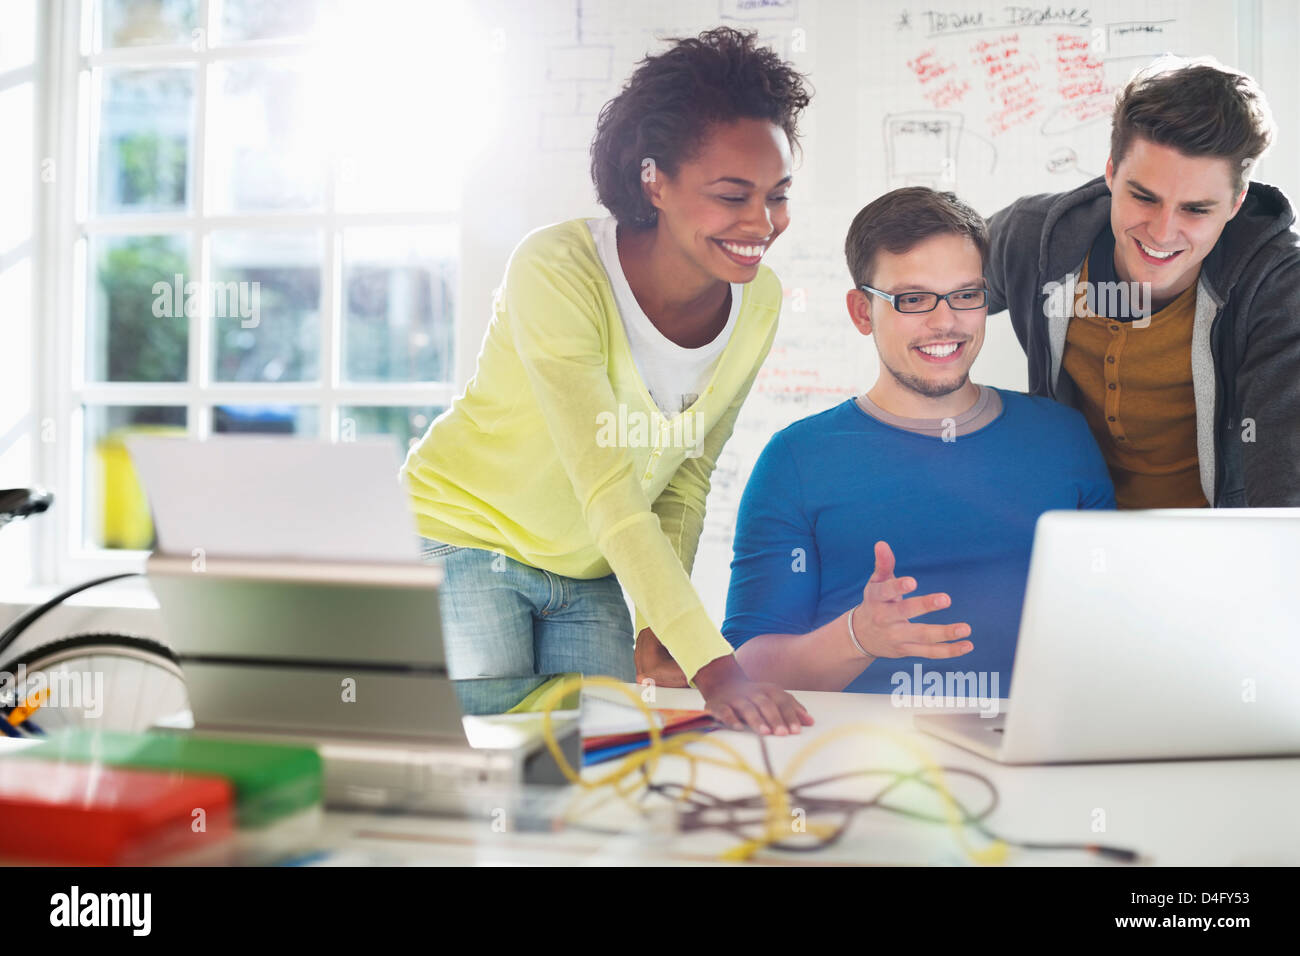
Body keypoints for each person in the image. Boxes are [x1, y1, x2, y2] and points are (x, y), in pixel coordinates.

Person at [401, 27, 814, 735]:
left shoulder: (760, 302)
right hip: (467, 535)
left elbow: (685, 479)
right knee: (493, 747)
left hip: (588, 572)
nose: (761, 222)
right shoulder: (558, 270)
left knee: (602, 751)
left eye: (776, 195)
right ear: (655, 180)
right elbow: (608, 486)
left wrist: (662, 622)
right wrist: (715, 665)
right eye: (731, 195)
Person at [723, 188, 1114, 695]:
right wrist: (857, 637)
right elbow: (748, 668)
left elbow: (1110, 629)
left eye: (966, 295)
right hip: (860, 759)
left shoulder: (1064, 438)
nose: (945, 321)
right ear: (862, 313)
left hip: (1033, 754)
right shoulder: (797, 459)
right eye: (912, 299)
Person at [985, 57, 1300, 508]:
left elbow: (1286, 478)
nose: (1162, 232)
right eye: (1143, 197)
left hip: (1214, 547)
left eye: (1196, 209)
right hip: (1073, 533)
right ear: (1111, 172)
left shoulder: (1278, 287)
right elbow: (934, 284)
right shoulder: (1033, 238)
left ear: (1235, 203)